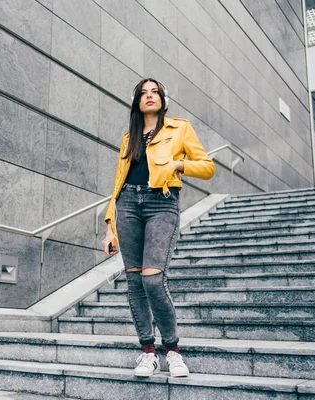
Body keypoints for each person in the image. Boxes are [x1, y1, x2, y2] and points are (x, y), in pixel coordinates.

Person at [102, 78, 215, 377]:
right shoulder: (130, 138)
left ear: (164, 99)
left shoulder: (180, 128)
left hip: (161, 204)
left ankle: (173, 350)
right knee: (135, 283)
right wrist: (110, 226)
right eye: (144, 93)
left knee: (153, 280)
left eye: (155, 92)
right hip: (127, 206)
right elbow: (117, 184)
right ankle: (148, 352)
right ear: (137, 101)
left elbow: (207, 167)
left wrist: (179, 166)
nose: (149, 96)